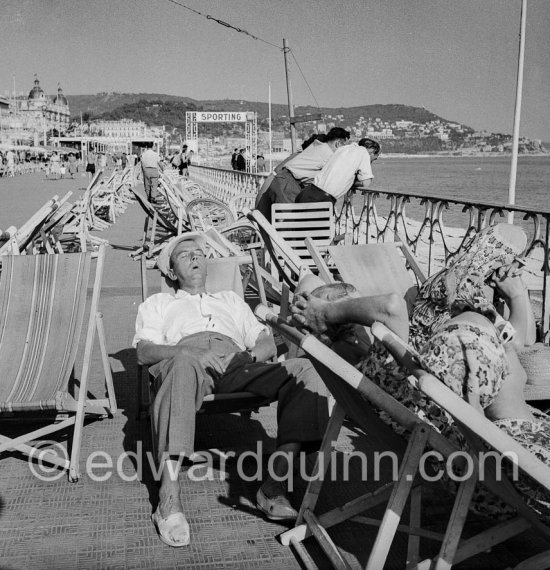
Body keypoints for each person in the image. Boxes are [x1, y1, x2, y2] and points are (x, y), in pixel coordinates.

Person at [291, 223, 550, 523]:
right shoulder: (383, 364)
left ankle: (469, 285)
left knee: (487, 339)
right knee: (485, 337)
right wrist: (326, 312)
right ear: (352, 320)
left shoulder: (373, 374)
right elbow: (390, 306)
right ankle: (469, 281)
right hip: (507, 465)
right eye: (357, 306)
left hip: (490, 455)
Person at [134, 233, 329, 547]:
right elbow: (144, 352)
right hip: (188, 363)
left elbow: (262, 339)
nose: (195, 258)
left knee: (306, 368)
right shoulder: (159, 303)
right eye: (185, 256)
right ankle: (167, 500)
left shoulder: (230, 300)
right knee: (182, 364)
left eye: (199, 253)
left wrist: (250, 356)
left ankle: (273, 485)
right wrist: (189, 354)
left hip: (238, 362)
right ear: (171, 273)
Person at [255, 128, 351, 222]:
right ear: (338, 143)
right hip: (288, 185)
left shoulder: (318, 145)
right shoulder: (329, 156)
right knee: (288, 224)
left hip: (280, 180)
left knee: (282, 223)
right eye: (345, 146)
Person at [295, 137, 380, 206]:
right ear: (372, 153)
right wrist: (351, 182)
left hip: (307, 192)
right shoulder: (363, 151)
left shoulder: (343, 149)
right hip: (322, 199)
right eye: (374, 159)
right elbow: (366, 182)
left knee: (299, 226)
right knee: (320, 227)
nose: (371, 162)